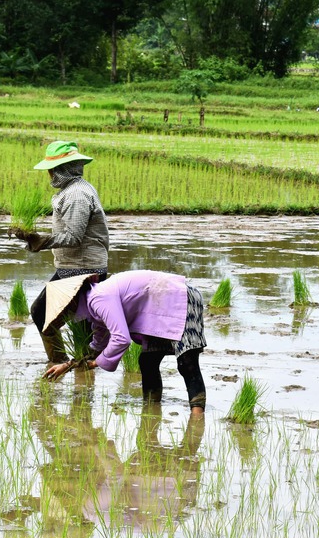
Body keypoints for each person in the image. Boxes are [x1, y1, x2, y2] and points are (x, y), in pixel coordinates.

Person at [38, 270, 207, 414]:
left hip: (178, 297)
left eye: (63, 312)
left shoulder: (98, 298)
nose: (65, 317)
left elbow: (121, 339)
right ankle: (151, 412)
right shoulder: (93, 308)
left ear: (72, 300)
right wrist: (68, 365)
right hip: (158, 305)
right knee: (147, 362)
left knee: (187, 362)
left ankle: (197, 419)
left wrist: (96, 363)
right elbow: (98, 344)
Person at [12, 140, 110, 364]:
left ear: (62, 169)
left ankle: (60, 365)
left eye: (52, 170)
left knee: (42, 313)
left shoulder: (76, 195)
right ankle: (77, 373)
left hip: (83, 269)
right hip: (77, 267)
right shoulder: (74, 189)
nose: (49, 175)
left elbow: (74, 237)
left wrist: (43, 241)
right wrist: (32, 238)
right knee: (81, 324)